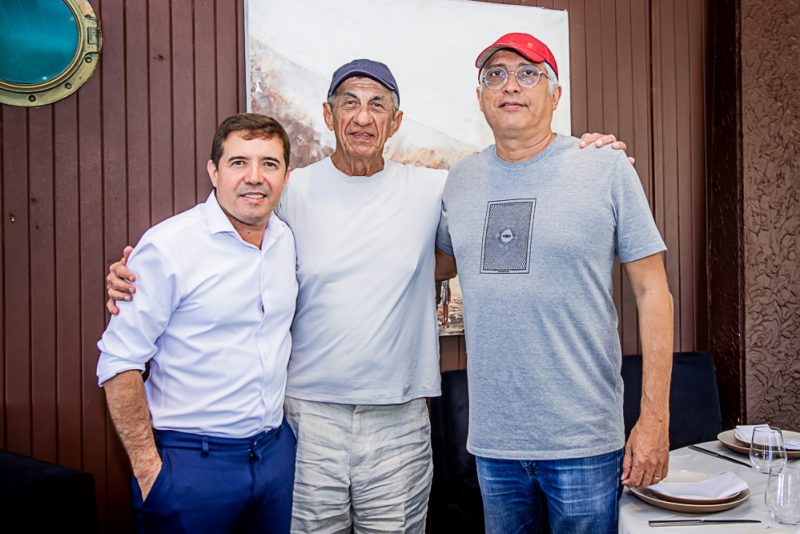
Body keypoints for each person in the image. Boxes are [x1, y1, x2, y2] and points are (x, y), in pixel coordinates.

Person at [105, 59, 630, 533]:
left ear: (395, 122)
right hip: (307, 419)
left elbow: (499, 201)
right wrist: (137, 272)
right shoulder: (291, 192)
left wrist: (586, 153)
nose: (362, 117)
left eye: (377, 104)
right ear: (329, 115)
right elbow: (229, 239)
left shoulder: (434, 189)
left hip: (398, 419)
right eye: (349, 103)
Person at [434, 33, 674, 533]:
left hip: (583, 442)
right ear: (480, 97)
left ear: (555, 94)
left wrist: (654, 419)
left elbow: (654, 293)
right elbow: (436, 264)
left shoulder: (604, 167)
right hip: (495, 444)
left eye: (528, 73)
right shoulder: (459, 180)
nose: (510, 86)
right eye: (494, 75)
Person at [96, 113, 298, 533]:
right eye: (239, 162)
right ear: (214, 171)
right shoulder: (170, 246)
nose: (254, 177)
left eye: (269, 164)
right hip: (191, 464)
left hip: (275, 457)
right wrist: (150, 471)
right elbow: (118, 362)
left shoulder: (286, 240)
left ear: (286, 176)